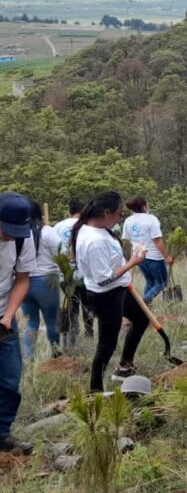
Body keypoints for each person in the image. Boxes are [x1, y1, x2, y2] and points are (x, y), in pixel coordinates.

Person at [73, 191, 149, 391]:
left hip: (120, 289)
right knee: (107, 345)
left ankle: (125, 367)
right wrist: (133, 262)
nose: (120, 218)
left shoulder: (98, 228)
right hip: (106, 296)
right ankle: (95, 390)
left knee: (141, 319)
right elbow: (104, 278)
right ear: (107, 213)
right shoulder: (94, 241)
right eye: (120, 213)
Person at [0, 192, 36, 455]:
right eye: (6, 230)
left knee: (10, 383)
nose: (11, 236)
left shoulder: (24, 238)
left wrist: (8, 316)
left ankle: (2, 435)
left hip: (4, 318)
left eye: (17, 231)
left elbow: (22, 279)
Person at [21, 200, 61, 360]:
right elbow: (61, 254)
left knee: (31, 323)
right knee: (52, 321)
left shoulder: (18, 233)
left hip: (23, 283)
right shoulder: (47, 231)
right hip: (46, 282)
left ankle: (28, 358)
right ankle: (56, 356)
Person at [54, 197, 94, 346]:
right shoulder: (85, 226)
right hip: (83, 275)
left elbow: (54, 250)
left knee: (71, 306)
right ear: (83, 211)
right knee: (87, 305)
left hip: (65, 275)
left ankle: (72, 336)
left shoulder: (57, 227)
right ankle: (89, 334)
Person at [122, 197, 174, 305]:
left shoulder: (128, 221)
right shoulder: (151, 219)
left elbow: (128, 240)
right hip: (154, 257)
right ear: (143, 206)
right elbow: (157, 240)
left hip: (139, 257)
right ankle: (144, 301)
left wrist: (131, 258)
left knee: (150, 282)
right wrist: (166, 257)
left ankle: (145, 311)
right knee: (162, 283)